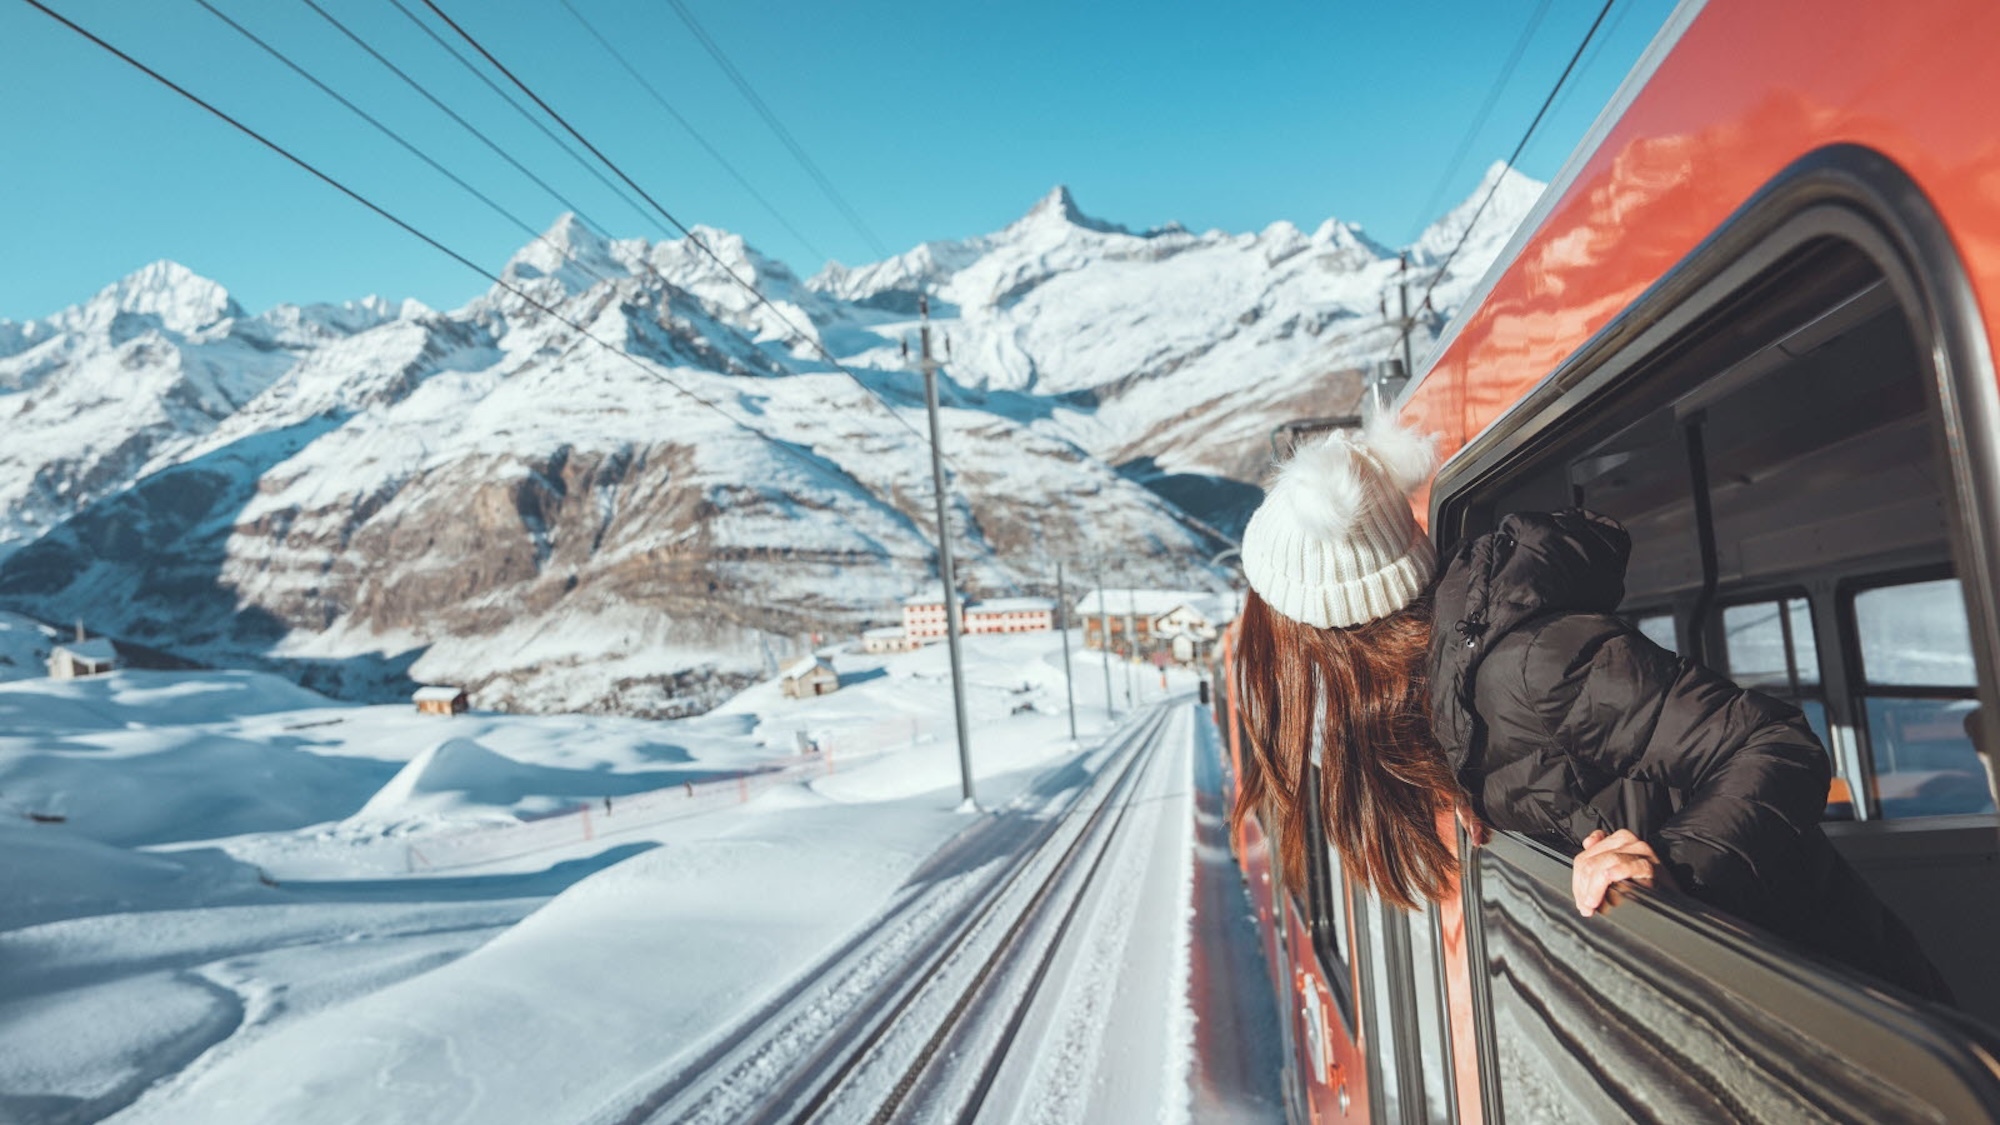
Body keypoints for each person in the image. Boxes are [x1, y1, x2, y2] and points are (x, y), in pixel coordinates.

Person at [1231, 417, 1948, 1001]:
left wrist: (1668, 872)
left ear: (1335, 643)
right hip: (1782, 999)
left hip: (1845, 996)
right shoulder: (1452, 692)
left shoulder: (1527, 666)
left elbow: (1775, 744)